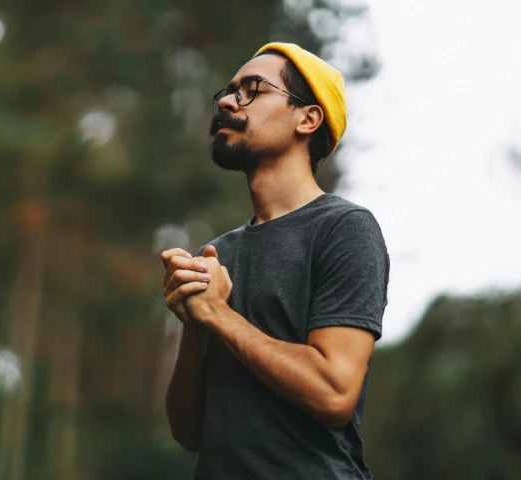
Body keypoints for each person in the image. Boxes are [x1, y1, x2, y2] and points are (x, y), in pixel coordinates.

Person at [162, 42, 390, 480]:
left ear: (307, 118)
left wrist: (218, 316)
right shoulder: (218, 255)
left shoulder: (345, 229)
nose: (227, 101)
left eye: (252, 90)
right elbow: (188, 431)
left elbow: (334, 393)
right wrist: (195, 325)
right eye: (227, 92)